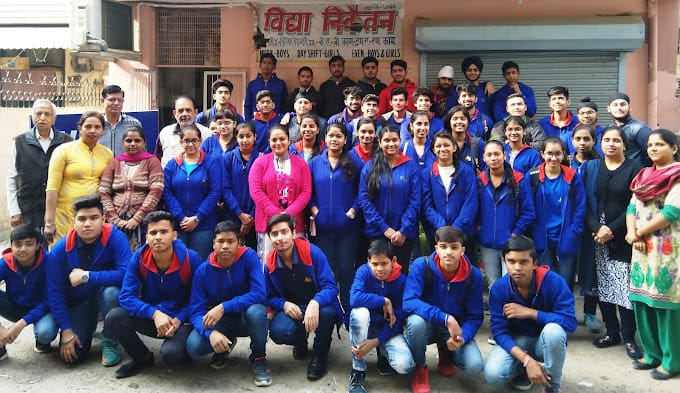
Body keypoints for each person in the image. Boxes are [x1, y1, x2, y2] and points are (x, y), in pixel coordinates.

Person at [105, 211, 202, 378]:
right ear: (147, 237)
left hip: (180, 320)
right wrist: (155, 314)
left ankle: (182, 351)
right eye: (153, 232)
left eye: (163, 232)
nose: (158, 237)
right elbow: (126, 297)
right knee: (114, 317)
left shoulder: (190, 259)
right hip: (152, 316)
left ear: (174, 235)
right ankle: (142, 358)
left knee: (171, 355)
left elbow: (199, 300)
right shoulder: (139, 258)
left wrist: (179, 319)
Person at [483, 236, 577, 393]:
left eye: (523, 262)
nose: (517, 267)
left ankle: (551, 387)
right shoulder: (499, 289)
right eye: (511, 261)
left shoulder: (554, 282)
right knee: (493, 376)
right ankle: (523, 369)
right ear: (505, 262)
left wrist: (531, 313)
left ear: (534, 263)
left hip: (544, 341)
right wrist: (526, 360)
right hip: (517, 341)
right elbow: (499, 333)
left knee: (554, 331)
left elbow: (569, 323)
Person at [46, 194, 131, 366]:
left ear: (103, 218)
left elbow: (126, 274)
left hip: (106, 296)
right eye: (82, 219)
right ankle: (88, 326)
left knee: (111, 292)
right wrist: (67, 331)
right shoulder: (60, 249)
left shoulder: (116, 237)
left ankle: (110, 340)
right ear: (74, 221)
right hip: (80, 302)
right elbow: (54, 291)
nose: (87, 224)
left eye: (94, 218)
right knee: (74, 355)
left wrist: (87, 276)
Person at [186, 220, 271, 386]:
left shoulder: (249, 257)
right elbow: (195, 312)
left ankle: (259, 359)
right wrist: (211, 334)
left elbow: (260, 294)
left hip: (245, 318)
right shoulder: (203, 271)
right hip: (221, 322)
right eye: (220, 241)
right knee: (194, 347)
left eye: (230, 241)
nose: (225, 246)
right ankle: (224, 345)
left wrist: (224, 306)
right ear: (213, 244)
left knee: (258, 311)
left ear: (239, 243)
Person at [582, 126, 642, 359]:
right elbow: (584, 200)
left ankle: (629, 337)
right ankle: (612, 332)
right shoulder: (592, 168)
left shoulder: (634, 169)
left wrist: (612, 229)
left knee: (623, 289)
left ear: (624, 145)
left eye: (616, 140)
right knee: (603, 286)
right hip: (596, 236)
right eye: (606, 140)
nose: (611, 144)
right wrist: (596, 227)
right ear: (600, 143)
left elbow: (636, 205)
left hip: (623, 236)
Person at [626, 128, 680, 380]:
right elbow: (631, 206)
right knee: (642, 302)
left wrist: (639, 233)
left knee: (665, 306)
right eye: (650, 145)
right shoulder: (643, 175)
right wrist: (631, 233)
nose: (653, 148)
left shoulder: (677, 176)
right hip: (641, 252)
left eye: (659, 144)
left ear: (674, 148)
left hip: (666, 252)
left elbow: (671, 213)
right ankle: (652, 354)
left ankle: (671, 361)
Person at [404, 226, 484, 393]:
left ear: (462, 250)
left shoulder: (473, 275)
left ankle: (447, 353)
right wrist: (445, 318)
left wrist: (464, 337)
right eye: (443, 246)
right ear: (436, 248)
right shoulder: (422, 265)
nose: (448, 252)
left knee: (474, 366)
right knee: (415, 322)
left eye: (454, 247)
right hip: (428, 324)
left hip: (454, 331)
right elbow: (409, 301)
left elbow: (475, 316)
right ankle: (420, 367)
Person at [264, 213, 341, 381]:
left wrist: (315, 302)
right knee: (278, 332)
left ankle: (320, 355)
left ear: (293, 233)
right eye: (274, 234)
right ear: (270, 237)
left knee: (328, 313)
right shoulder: (270, 263)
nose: (280, 237)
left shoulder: (312, 253)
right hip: (295, 308)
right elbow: (268, 297)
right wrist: (283, 304)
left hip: (319, 305)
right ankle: (300, 341)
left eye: (284, 232)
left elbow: (331, 287)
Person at [348, 239, 414, 393]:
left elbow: (398, 321)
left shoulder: (402, 281)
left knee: (406, 365)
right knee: (360, 313)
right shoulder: (364, 272)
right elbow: (354, 298)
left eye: (384, 263)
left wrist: (376, 341)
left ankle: (382, 353)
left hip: (387, 329)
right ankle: (358, 370)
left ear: (394, 261)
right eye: (375, 264)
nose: (379, 269)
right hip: (367, 326)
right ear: (368, 261)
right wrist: (383, 301)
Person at [308, 122, 361, 317]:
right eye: (331, 136)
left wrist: (352, 212)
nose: (334, 140)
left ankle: (347, 309)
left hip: (348, 228)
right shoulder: (314, 163)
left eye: (339, 136)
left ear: (345, 139)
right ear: (325, 138)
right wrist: (315, 211)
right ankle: (329, 311)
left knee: (347, 269)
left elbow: (362, 192)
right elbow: (308, 191)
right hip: (322, 228)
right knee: (326, 272)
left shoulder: (354, 163)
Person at [358, 125, 421, 274]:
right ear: (379, 142)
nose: (391, 144)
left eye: (394, 140)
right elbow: (365, 200)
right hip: (377, 232)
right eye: (386, 140)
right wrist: (385, 229)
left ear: (400, 141)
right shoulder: (370, 167)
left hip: (404, 234)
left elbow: (415, 200)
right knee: (379, 272)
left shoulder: (411, 166)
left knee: (400, 272)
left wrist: (403, 230)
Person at [45, 111, 113, 244]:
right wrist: (49, 221)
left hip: (92, 214)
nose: (92, 130)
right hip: (65, 213)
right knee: (63, 251)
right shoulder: (63, 150)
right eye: (88, 126)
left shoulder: (107, 153)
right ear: (80, 128)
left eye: (97, 127)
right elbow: (52, 188)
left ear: (102, 131)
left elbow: (107, 186)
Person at [478, 140, 536, 290]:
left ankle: (511, 313)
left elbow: (529, 212)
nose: (493, 158)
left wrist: (515, 233)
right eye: (489, 155)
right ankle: (497, 313)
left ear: (504, 155)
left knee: (511, 283)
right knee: (494, 284)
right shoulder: (480, 181)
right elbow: (473, 209)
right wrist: (479, 229)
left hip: (511, 242)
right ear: (483, 157)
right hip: (487, 242)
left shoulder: (518, 180)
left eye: (497, 154)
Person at [249, 125, 312, 262]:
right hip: (267, 223)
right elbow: (256, 191)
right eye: (274, 140)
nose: (278, 143)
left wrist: (288, 214)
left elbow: (306, 192)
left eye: (282, 139)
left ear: (289, 140)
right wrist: (276, 214)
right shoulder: (260, 163)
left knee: (296, 262)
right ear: (269, 142)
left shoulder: (301, 164)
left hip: (294, 223)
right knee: (268, 262)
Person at [7, 99, 73, 231]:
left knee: (57, 248)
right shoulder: (19, 142)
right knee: (32, 248)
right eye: (38, 113)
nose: (42, 117)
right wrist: (14, 211)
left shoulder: (67, 141)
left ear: (54, 119)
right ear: (33, 117)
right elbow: (12, 178)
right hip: (28, 209)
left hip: (59, 208)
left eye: (47, 114)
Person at [531, 137, 586, 286]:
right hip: (542, 237)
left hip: (567, 236)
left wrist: (574, 230)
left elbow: (580, 206)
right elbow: (527, 207)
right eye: (549, 153)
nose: (553, 158)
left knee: (564, 282)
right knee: (543, 281)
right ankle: (545, 310)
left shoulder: (573, 176)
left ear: (564, 155)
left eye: (558, 154)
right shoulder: (533, 176)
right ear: (542, 154)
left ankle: (564, 310)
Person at [99, 125, 164, 251]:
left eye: (137, 140)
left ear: (144, 143)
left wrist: (136, 219)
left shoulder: (152, 162)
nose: (133, 144)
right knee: (117, 254)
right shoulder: (115, 163)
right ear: (123, 143)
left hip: (144, 221)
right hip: (116, 221)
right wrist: (115, 219)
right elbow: (104, 191)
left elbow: (156, 190)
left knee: (141, 256)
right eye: (128, 141)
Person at [162, 124, 221, 260]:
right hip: (179, 223)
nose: (191, 144)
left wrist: (198, 217)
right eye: (186, 141)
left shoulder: (210, 163)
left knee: (200, 263)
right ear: (181, 142)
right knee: (179, 262)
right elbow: (167, 192)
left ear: (200, 141)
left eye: (194, 140)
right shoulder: (172, 165)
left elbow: (215, 192)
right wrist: (180, 216)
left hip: (204, 224)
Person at [0, 225, 57, 359]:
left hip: (42, 309)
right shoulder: (6, 263)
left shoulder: (49, 262)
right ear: (11, 246)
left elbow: (49, 300)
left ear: (38, 245)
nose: (23, 249)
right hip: (15, 306)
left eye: (29, 244)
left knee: (45, 332)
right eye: (18, 245)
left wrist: (19, 325)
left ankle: (42, 341)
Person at [570, 124, 603, 334]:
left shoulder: (600, 165)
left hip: (593, 226)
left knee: (592, 270)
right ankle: (566, 312)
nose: (583, 143)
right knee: (566, 269)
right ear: (572, 141)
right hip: (570, 226)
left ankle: (590, 312)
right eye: (579, 139)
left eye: (587, 139)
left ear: (593, 141)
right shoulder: (565, 163)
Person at [421, 132, 478, 246]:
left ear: (454, 147)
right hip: (437, 232)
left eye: (446, 145)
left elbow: (471, 203)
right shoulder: (427, 173)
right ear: (433, 150)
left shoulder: (466, 172)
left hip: (463, 232)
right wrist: (442, 226)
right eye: (438, 146)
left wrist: (456, 228)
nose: (442, 149)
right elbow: (426, 204)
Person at [222, 122, 259, 250]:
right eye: (241, 136)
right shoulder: (228, 158)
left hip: (255, 217)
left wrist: (250, 218)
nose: (244, 140)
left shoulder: (261, 159)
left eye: (248, 136)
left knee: (252, 254)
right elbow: (225, 188)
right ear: (236, 138)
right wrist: (240, 213)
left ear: (255, 136)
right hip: (231, 215)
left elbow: (262, 190)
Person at [155, 95, 212, 167]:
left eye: (188, 110)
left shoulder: (207, 134)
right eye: (180, 111)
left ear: (195, 112)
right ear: (175, 114)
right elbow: (157, 159)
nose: (184, 114)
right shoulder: (165, 133)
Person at [607, 92, 652, 167]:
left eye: (623, 104)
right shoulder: (609, 128)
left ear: (629, 108)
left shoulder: (639, 129)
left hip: (636, 175)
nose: (619, 108)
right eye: (615, 105)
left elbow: (652, 154)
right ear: (608, 109)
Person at [100, 85, 142, 157]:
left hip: (126, 167)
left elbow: (142, 151)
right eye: (112, 100)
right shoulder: (96, 124)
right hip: (102, 167)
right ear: (102, 101)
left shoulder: (133, 124)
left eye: (120, 100)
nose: (116, 103)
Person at [244, 53, 288, 121]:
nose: (266, 65)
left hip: (275, 122)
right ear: (260, 65)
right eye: (264, 63)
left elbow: (284, 105)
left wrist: (282, 120)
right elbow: (247, 106)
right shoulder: (252, 84)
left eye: (269, 63)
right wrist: (248, 122)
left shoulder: (280, 84)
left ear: (274, 66)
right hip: (256, 122)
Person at [444, 105, 485, 172]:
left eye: (463, 119)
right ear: (449, 122)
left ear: (468, 122)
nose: (459, 122)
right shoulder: (442, 144)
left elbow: (485, 171)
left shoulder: (478, 144)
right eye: (455, 119)